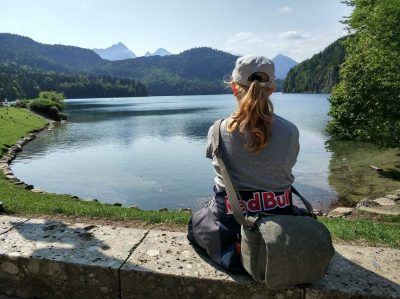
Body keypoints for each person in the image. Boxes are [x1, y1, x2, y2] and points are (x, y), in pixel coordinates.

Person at [187, 55, 300, 272]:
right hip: (279, 227)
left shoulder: (218, 130)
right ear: (272, 89)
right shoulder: (290, 131)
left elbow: (214, 160)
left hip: (230, 228)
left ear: (233, 88)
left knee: (196, 224)